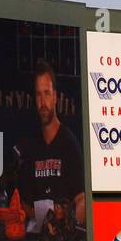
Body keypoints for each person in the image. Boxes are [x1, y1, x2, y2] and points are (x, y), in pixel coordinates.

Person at [15, 62, 85, 230]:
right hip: (35, 233)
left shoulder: (69, 144)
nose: (42, 102)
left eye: (46, 94)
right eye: (38, 95)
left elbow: (82, 200)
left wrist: (64, 218)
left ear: (55, 97)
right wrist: (33, 214)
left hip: (64, 234)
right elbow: (22, 202)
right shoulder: (30, 145)